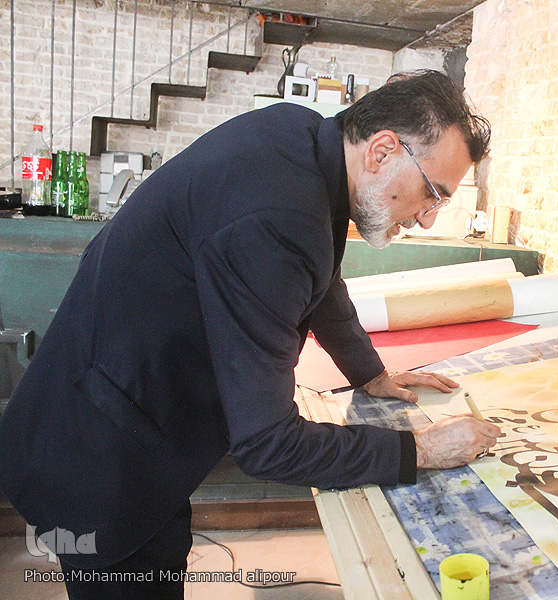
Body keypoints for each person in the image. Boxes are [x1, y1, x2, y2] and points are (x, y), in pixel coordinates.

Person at [0, 69, 500, 599]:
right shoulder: (279, 213)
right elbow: (267, 443)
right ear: (381, 151)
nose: (427, 218)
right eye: (432, 194)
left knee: (162, 548)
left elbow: (322, 278)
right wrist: (418, 449)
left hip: (131, 410)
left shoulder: (303, 140)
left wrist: (370, 373)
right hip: (99, 453)